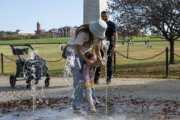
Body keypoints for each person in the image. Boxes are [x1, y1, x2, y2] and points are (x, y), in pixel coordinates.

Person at [65, 19, 107, 112]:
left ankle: (94, 101)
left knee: (90, 78)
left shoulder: (96, 37)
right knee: (79, 78)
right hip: (72, 52)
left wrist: (99, 59)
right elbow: (78, 51)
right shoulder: (83, 33)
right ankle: (77, 104)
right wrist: (88, 61)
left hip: (82, 53)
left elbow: (97, 50)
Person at [94, 11, 118, 84]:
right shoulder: (100, 24)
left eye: (105, 16)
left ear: (108, 16)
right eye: (102, 16)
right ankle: (96, 78)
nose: (104, 18)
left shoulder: (112, 24)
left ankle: (108, 79)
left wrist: (114, 46)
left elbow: (115, 35)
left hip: (109, 45)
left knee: (109, 63)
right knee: (99, 61)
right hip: (100, 45)